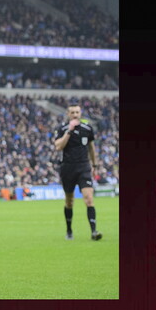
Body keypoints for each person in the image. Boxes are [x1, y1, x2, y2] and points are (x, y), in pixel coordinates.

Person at [54, 101, 102, 240]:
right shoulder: (61, 129)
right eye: (72, 112)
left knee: (89, 198)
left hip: (83, 167)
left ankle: (94, 231)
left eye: (77, 112)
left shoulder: (87, 128)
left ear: (80, 113)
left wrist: (95, 165)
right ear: (68, 114)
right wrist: (69, 130)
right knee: (69, 201)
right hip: (67, 168)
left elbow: (91, 148)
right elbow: (58, 147)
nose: (75, 115)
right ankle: (69, 231)